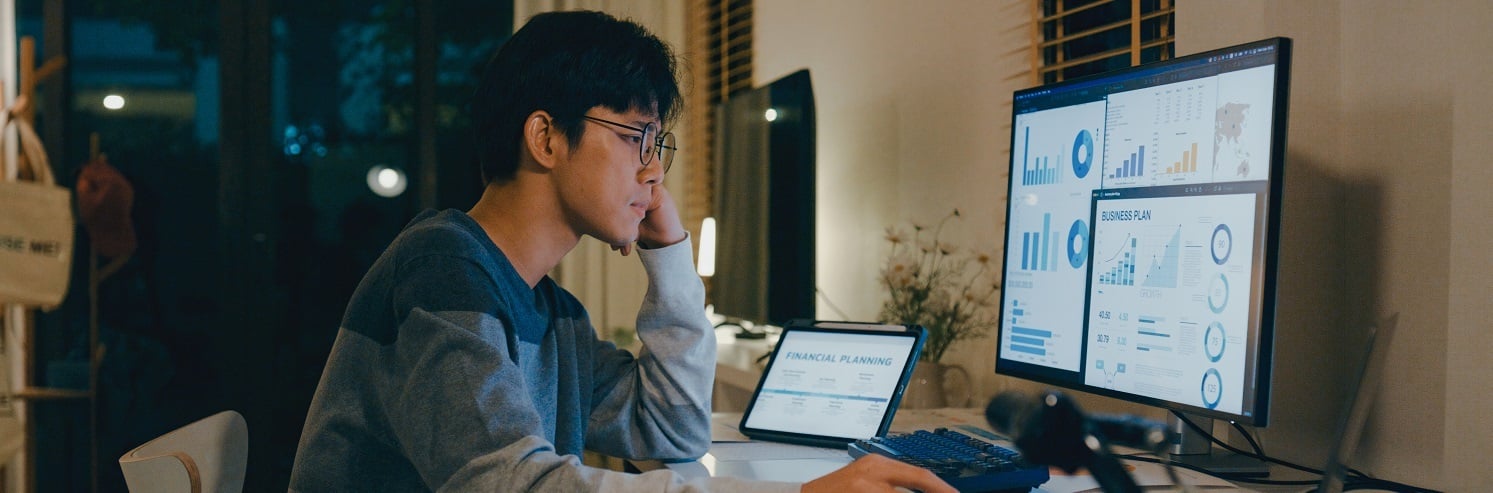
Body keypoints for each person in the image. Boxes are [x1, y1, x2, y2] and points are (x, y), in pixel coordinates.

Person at [289, 10, 954, 493]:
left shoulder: (551, 312)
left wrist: (668, 250)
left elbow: (672, 430)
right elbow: (509, 484)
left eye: (658, 145)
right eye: (637, 136)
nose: (653, 172)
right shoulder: (439, 271)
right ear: (546, 138)